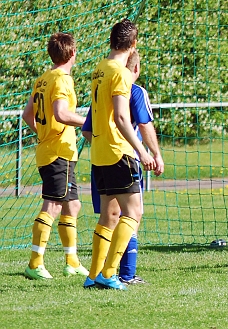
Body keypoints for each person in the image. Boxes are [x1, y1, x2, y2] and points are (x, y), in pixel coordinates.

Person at [83, 18, 157, 290]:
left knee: (108, 216)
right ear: (133, 43)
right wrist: (142, 151)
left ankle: (93, 275)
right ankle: (110, 272)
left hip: (99, 152)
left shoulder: (99, 69)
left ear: (111, 40)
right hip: (118, 151)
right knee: (134, 212)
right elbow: (123, 119)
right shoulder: (122, 74)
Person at [21, 32, 89, 280]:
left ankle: (72, 262)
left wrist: (44, 134)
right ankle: (34, 263)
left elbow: (28, 115)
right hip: (57, 153)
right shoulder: (62, 79)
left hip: (59, 151)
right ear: (72, 53)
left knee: (73, 206)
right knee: (52, 206)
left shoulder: (43, 79)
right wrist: (90, 123)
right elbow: (61, 113)